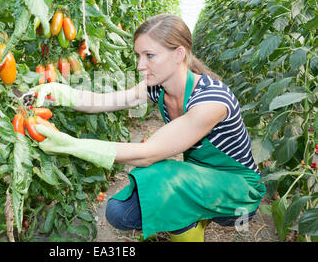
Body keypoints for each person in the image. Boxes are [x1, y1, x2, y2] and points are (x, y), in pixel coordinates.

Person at [31, 14, 266, 242]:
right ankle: (191, 214)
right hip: (200, 178)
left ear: (179, 54)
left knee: (164, 178)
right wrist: (60, 93)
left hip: (240, 191)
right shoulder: (158, 87)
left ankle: (189, 217)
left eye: (149, 55)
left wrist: (73, 145)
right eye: (138, 55)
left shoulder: (211, 101)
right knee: (119, 211)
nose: (140, 65)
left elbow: (147, 154)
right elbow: (107, 101)